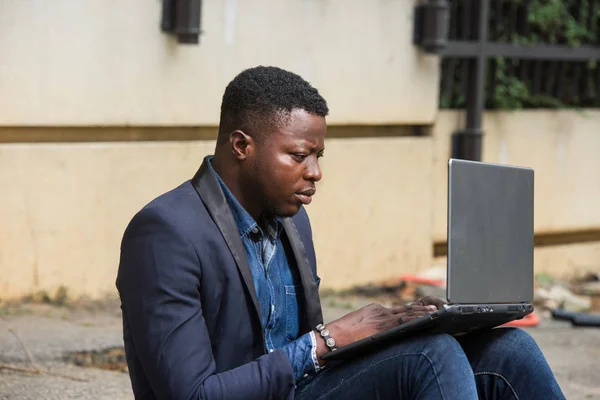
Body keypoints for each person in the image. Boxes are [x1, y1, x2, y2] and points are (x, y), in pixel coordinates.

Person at [116, 65, 565, 399]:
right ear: (241, 145)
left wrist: (387, 329)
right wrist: (327, 340)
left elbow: (309, 361)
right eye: (298, 156)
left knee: (510, 349)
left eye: (319, 156)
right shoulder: (165, 233)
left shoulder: (292, 220)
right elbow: (191, 394)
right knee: (433, 357)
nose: (315, 173)